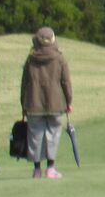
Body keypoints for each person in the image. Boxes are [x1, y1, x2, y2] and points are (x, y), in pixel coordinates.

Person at [18, 27, 73, 179]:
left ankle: (37, 169)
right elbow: (66, 82)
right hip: (56, 103)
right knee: (53, 135)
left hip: (33, 103)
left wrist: (23, 104)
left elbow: (24, 84)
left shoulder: (30, 59)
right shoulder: (60, 59)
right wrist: (69, 101)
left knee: (35, 136)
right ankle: (50, 168)